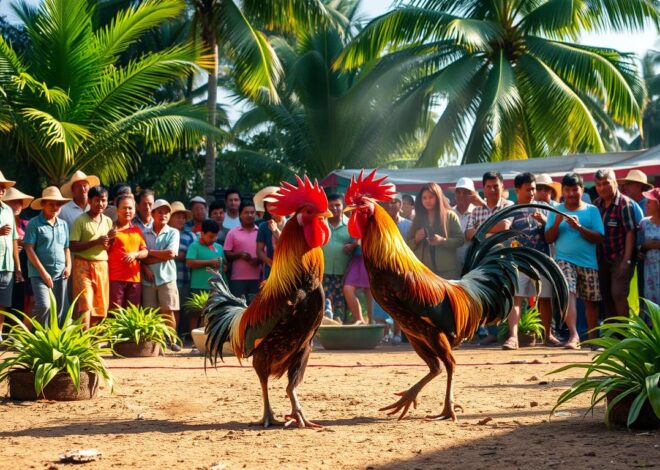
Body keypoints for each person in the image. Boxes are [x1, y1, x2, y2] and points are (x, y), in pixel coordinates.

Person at [545, 173, 604, 350]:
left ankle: (594, 339)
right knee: (568, 292)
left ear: (582, 190)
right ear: (562, 191)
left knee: (591, 301)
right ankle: (574, 335)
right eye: (567, 190)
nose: (571, 193)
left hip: (588, 263)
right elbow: (548, 238)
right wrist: (556, 223)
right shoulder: (555, 209)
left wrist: (579, 228)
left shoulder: (591, 210)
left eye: (574, 189)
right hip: (564, 259)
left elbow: (599, 237)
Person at [503, 173, 560, 349]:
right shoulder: (511, 210)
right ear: (517, 190)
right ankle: (513, 338)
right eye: (528, 189)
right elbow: (504, 231)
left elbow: (553, 233)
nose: (532, 193)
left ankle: (548, 335)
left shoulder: (544, 207)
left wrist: (545, 222)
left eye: (533, 189)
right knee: (516, 298)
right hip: (519, 262)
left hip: (542, 260)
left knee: (545, 298)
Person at [465, 171, 514, 344]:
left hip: (504, 257)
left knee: (508, 294)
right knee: (488, 295)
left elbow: (505, 225)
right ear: (483, 189)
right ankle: (493, 332)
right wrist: (491, 231)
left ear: (502, 187)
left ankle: (512, 335)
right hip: (484, 259)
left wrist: (482, 232)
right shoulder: (476, 210)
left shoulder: (509, 204)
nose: (493, 190)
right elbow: (469, 234)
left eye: (496, 186)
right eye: (489, 187)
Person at [23, 187, 72, 326]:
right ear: (43, 204)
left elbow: (66, 248)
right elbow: (28, 248)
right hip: (39, 274)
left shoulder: (63, 224)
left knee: (59, 310)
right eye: (51, 204)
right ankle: (37, 336)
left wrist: (69, 266)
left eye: (58, 204)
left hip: (61, 273)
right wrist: (43, 273)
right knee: (44, 305)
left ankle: (52, 340)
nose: (55, 207)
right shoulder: (34, 223)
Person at [593, 169, 637, 320]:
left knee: (618, 293)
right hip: (601, 257)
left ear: (615, 183)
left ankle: (625, 333)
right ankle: (613, 335)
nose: (602, 187)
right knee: (605, 295)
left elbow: (631, 232)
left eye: (606, 183)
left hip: (620, 256)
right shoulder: (596, 204)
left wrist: (626, 260)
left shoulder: (625, 203)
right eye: (598, 184)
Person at [69, 186, 114, 328]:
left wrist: (110, 241)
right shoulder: (80, 220)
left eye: (104, 200)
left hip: (102, 265)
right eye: (97, 200)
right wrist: (96, 242)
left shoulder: (108, 221)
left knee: (100, 303)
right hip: (82, 265)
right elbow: (73, 246)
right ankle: (85, 340)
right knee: (85, 302)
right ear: (89, 201)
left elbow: (106, 247)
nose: (100, 204)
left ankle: (94, 339)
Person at [141, 199, 181, 350]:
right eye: (160, 212)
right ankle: (153, 342)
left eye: (166, 212)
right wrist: (145, 266)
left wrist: (148, 253)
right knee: (149, 312)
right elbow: (140, 256)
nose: (163, 215)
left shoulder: (173, 232)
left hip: (167, 277)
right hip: (148, 277)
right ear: (152, 214)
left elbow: (171, 253)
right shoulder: (143, 232)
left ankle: (172, 341)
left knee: (167, 310)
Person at [407, 182, 464, 279]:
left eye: (431, 197)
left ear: (438, 197)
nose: (427, 201)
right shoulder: (418, 218)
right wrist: (416, 239)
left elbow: (460, 240)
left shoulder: (450, 215)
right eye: (424, 198)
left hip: (447, 272)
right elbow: (407, 244)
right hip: (423, 271)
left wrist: (442, 241)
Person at [108, 194, 148, 309]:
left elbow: (145, 251)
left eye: (130, 208)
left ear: (134, 211)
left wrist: (135, 254)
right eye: (124, 208)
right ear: (117, 210)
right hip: (115, 278)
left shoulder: (136, 230)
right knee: (115, 314)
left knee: (132, 315)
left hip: (134, 279)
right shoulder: (111, 229)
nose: (127, 211)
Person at [186, 219, 225, 333]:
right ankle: (194, 340)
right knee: (196, 313)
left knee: (211, 314)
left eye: (215, 236)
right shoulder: (194, 246)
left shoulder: (219, 247)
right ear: (202, 233)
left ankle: (207, 338)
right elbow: (189, 262)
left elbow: (223, 264)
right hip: (198, 286)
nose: (213, 239)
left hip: (215, 287)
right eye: (210, 236)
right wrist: (210, 262)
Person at [321, 194, 353, 322]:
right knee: (323, 303)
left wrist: (353, 245)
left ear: (343, 206)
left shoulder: (351, 225)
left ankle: (340, 336)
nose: (334, 208)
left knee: (340, 305)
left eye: (337, 205)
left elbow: (359, 242)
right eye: (331, 206)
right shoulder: (320, 223)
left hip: (344, 272)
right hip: (323, 271)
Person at [3, 187, 34, 313]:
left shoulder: (27, 224)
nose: (16, 205)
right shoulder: (2, 223)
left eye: (19, 202)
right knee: (6, 299)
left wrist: (24, 243)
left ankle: (19, 328)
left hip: (25, 267)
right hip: (5, 265)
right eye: (12, 202)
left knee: (23, 298)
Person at [223, 201, 261, 302]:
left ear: (256, 215)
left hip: (258, 278)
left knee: (255, 310)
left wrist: (259, 259)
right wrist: (240, 255)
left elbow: (265, 253)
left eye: (252, 212)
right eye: (246, 212)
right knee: (238, 309)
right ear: (240, 215)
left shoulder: (261, 232)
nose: (250, 215)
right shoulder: (232, 232)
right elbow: (227, 253)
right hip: (237, 279)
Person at [0, 172, 21, 338]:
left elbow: (14, 239)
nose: (1, 190)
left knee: (3, 303)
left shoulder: (8, 210)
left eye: (3, 187)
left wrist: (18, 267)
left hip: (7, 264)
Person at [168, 201, 194, 329]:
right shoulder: (164, 233)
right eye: (177, 216)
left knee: (185, 308)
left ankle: (182, 335)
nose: (181, 219)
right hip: (166, 278)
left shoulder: (190, 235)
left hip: (184, 278)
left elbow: (192, 255)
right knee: (169, 308)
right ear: (170, 217)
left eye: (183, 217)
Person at [256, 192, 286, 280]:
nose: (271, 207)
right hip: (271, 270)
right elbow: (259, 251)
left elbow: (290, 246)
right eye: (268, 205)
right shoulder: (263, 226)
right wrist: (270, 263)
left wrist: (275, 230)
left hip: (290, 269)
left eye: (274, 204)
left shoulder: (292, 224)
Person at [638, 187, 660, 306]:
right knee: (651, 303)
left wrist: (655, 244)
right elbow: (638, 245)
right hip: (649, 271)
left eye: (650, 202)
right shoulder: (644, 223)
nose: (646, 205)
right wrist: (642, 249)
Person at [449, 177, 476, 271]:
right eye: (458, 192)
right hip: (452, 266)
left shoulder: (478, 212)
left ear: (472, 194)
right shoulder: (448, 213)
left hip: (473, 265)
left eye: (466, 192)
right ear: (455, 194)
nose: (462, 195)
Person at [343, 242, 372, 324]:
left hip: (371, 258)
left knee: (370, 292)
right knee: (347, 288)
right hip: (357, 259)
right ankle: (359, 319)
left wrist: (353, 245)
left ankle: (371, 322)